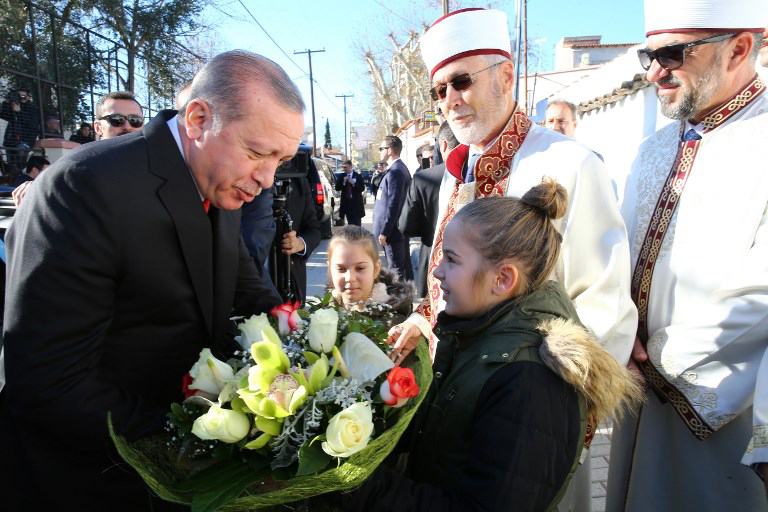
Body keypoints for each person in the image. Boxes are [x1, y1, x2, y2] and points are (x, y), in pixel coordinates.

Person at [0, 50, 304, 510]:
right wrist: (196, 436)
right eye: (258, 152)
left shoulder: (218, 181)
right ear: (199, 119)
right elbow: (50, 382)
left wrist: (325, 355)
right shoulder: (85, 187)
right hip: (87, 478)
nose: (266, 178)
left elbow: (245, 293)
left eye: (279, 161)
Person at [337, 181, 642, 512]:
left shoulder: (530, 380)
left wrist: (351, 485)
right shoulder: (481, 334)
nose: (436, 272)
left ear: (502, 279)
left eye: (451, 260)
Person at [606, 0, 768, 509]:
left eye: (674, 53)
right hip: (636, 393)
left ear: (740, 48)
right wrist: (618, 326)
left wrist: (658, 358)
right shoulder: (652, 147)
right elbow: (618, 254)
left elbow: (761, 295)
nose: (656, 71)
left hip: (723, 408)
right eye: (647, 55)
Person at [399, 122, 459, 298]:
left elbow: (405, 226)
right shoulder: (484, 173)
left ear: (443, 145)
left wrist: (428, 227)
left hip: (433, 256)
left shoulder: (423, 178)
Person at [328, 225, 414, 323]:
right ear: (330, 269)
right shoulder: (320, 315)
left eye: (360, 268)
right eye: (341, 269)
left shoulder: (395, 324)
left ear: (376, 269)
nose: (349, 278)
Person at [374, 135, 413, 281]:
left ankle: (401, 302)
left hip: (393, 233)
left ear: (389, 150)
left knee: (396, 271)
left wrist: (385, 231)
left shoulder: (396, 171)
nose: (379, 152)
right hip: (395, 231)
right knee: (403, 268)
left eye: (381, 149)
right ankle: (406, 301)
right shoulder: (397, 169)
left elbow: (394, 203)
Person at [1, 88, 39, 176]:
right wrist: (7, 102)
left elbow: (32, 124)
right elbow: (3, 114)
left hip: (25, 140)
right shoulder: (13, 105)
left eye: (23, 96)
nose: (21, 98)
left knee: (19, 164)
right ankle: (12, 178)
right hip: (11, 141)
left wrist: (19, 112)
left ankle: (12, 175)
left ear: (29, 97)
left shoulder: (32, 108)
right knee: (12, 165)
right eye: (19, 96)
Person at [336, 159, 365, 226]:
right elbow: (337, 188)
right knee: (350, 224)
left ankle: (357, 236)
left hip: (356, 204)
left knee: (357, 225)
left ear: (351, 167)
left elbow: (362, 188)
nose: (344, 169)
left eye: (346, 167)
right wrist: (343, 182)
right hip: (347, 204)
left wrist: (353, 184)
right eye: (343, 167)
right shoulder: (342, 176)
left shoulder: (358, 176)